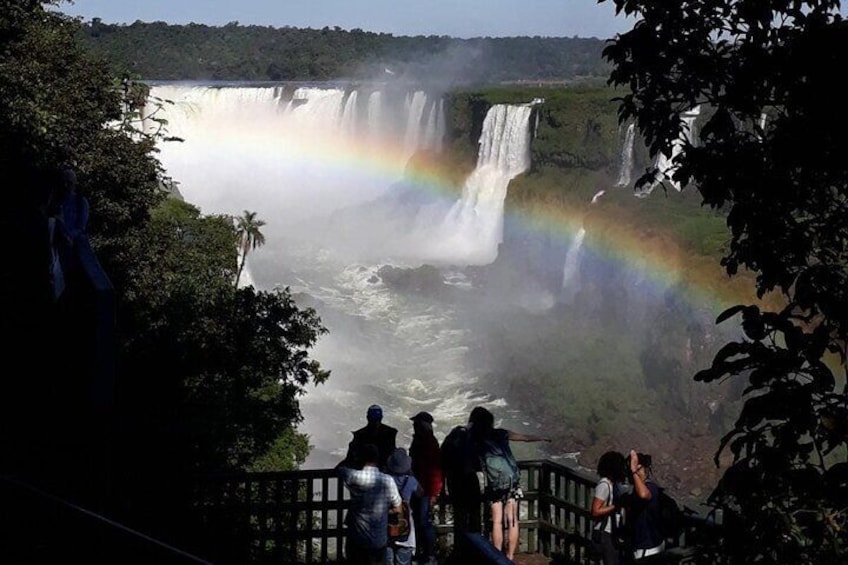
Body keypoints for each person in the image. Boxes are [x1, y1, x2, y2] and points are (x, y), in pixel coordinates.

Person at [468, 406, 551, 561]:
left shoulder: (475, 439)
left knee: (497, 521)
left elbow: (470, 460)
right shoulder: (501, 433)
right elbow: (524, 438)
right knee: (513, 520)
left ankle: (497, 557)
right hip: (512, 480)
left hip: (495, 484)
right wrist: (541, 438)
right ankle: (510, 556)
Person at [337, 443, 402, 565]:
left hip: (358, 539)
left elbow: (340, 469)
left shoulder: (354, 476)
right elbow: (398, 508)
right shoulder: (388, 480)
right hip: (379, 541)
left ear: (361, 458)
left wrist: (351, 457)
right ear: (377, 459)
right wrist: (385, 511)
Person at [408, 411, 442, 565]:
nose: (414, 425)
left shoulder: (427, 442)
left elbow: (435, 469)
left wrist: (434, 492)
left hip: (425, 489)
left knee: (423, 521)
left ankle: (429, 555)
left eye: (416, 423)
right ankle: (424, 553)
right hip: (421, 487)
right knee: (419, 520)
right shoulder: (425, 440)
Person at [385, 447, 424, 565]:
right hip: (405, 527)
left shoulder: (386, 479)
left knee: (387, 559)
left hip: (388, 526)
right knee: (404, 560)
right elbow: (421, 493)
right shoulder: (411, 480)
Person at [627, 450, 666, 563]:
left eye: (639, 469)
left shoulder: (651, 488)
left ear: (646, 469)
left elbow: (644, 495)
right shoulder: (637, 490)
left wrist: (634, 472)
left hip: (649, 548)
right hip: (643, 545)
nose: (636, 473)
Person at [591, 450, 628, 565]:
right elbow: (595, 511)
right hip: (605, 534)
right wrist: (616, 506)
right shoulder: (604, 485)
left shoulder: (613, 484)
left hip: (611, 532)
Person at [342, 405, 398, 471]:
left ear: (367, 417)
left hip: (362, 473)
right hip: (386, 473)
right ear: (381, 417)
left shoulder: (359, 434)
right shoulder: (391, 433)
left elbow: (350, 458)